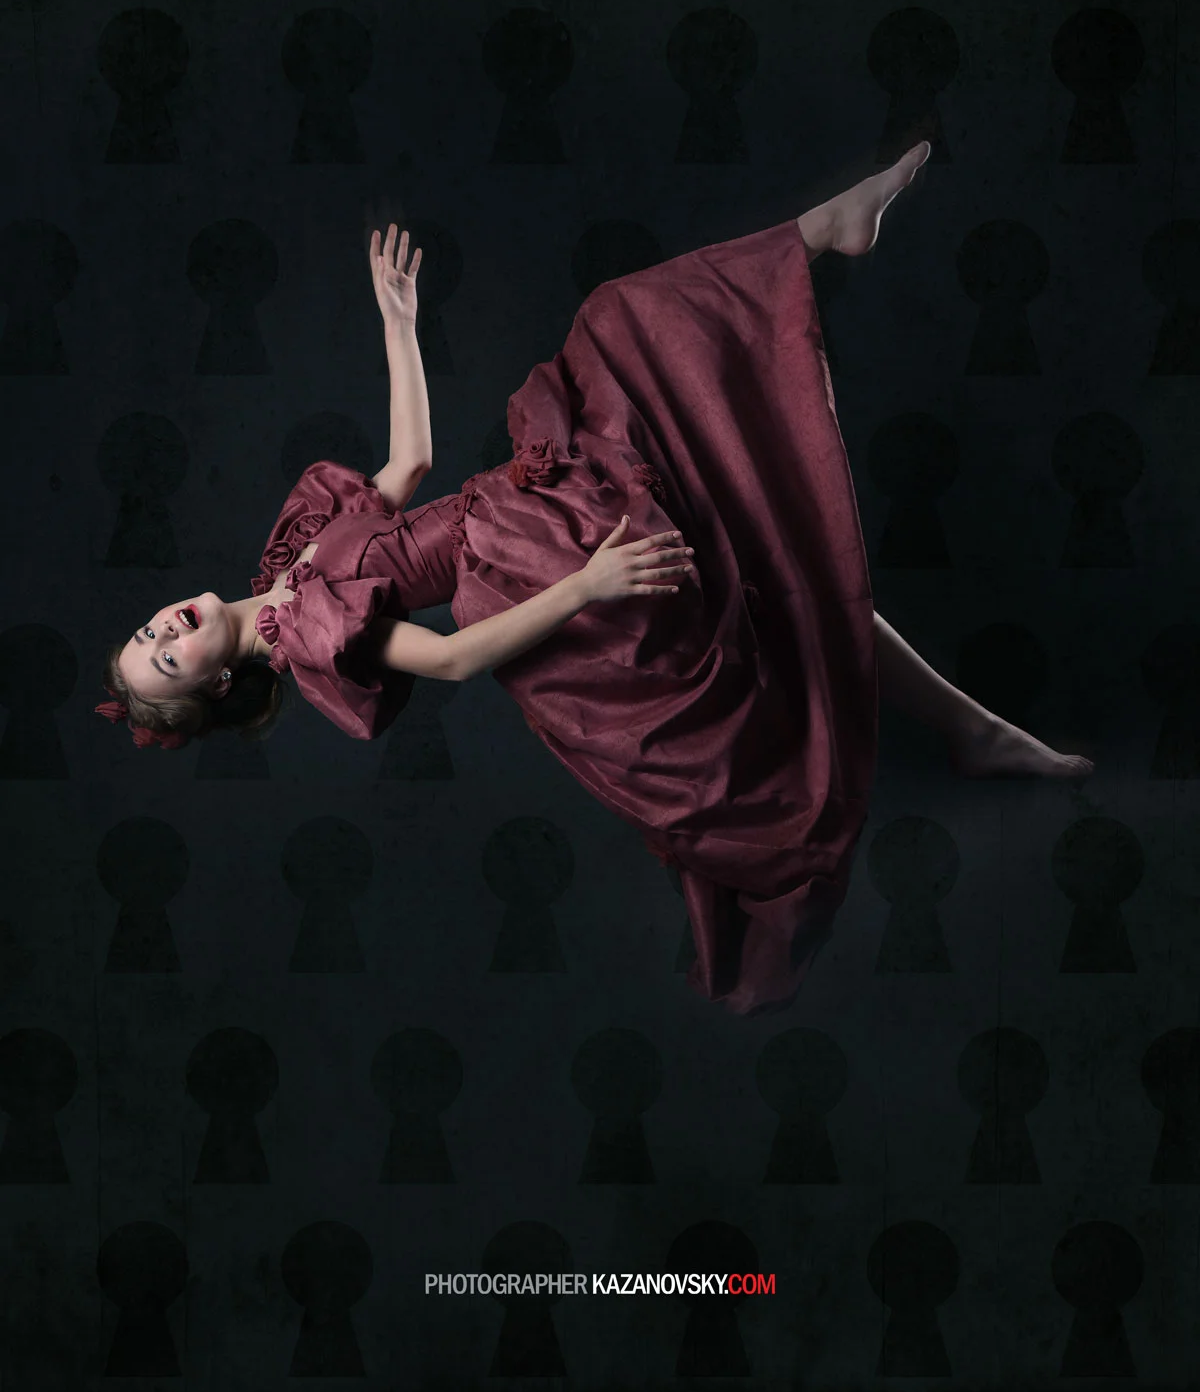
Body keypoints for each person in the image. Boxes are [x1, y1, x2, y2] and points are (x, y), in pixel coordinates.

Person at [97, 141, 1093, 1013]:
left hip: (522, 494)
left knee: (659, 379)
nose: (163, 633)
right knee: (695, 460)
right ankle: (970, 730)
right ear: (217, 683)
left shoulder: (290, 546)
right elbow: (444, 659)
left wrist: (398, 322)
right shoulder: (309, 641)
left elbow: (404, 468)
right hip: (540, 566)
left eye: (148, 635)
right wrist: (590, 583)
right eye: (169, 660)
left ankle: (972, 728)